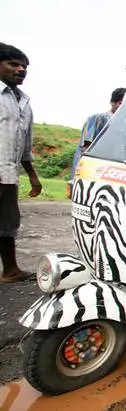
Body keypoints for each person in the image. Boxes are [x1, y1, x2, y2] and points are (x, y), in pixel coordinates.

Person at [0, 43, 42, 283]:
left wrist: (33, 176)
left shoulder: (23, 103)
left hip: (8, 175)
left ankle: (10, 270)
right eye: (13, 64)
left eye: (24, 66)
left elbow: (25, 147)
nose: (20, 70)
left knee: (7, 224)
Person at [67, 87, 126, 198]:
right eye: (120, 103)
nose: (122, 107)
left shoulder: (125, 126)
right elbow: (85, 150)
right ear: (112, 103)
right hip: (92, 174)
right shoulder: (97, 118)